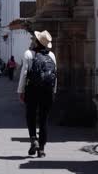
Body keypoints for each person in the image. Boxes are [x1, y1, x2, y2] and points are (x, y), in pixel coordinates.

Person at [17, 30, 57, 158]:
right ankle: (42, 149)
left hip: (32, 90)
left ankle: (33, 139)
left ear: (36, 42)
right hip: (47, 91)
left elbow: (24, 74)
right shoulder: (52, 55)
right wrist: (53, 91)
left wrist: (20, 91)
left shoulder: (29, 54)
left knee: (31, 116)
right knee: (44, 120)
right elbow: (55, 75)